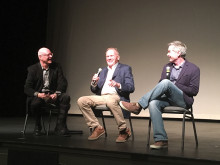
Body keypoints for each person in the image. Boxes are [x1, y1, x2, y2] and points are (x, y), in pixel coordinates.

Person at [119, 41, 200, 149]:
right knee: (153, 103)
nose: (167, 54)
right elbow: (160, 86)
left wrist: (174, 85)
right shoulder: (167, 66)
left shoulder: (193, 68)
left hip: (183, 100)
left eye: (169, 51)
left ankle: (138, 105)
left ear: (178, 52)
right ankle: (161, 139)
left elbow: (194, 91)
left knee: (166, 83)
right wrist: (167, 85)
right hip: (167, 99)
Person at [77, 48, 135, 143]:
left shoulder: (125, 68)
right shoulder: (103, 70)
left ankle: (123, 130)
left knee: (110, 100)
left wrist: (117, 84)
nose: (109, 58)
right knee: (81, 100)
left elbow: (131, 87)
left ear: (117, 57)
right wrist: (94, 83)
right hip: (102, 97)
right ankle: (97, 127)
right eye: (107, 56)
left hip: (116, 96)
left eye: (111, 55)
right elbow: (94, 90)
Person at [24, 47, 71, 136]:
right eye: (47, 55)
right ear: (40, 57)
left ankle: (60, 127)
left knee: (65, 97)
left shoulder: (57, 66)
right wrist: (38, 94)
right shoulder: (32, 69)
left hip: (52, 94)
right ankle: (38, 126)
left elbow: (62, 82)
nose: (50, 57)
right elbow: (27, 88)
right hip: (40, 95)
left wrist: (56, 93)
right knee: (35, 104)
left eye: (51, 54)